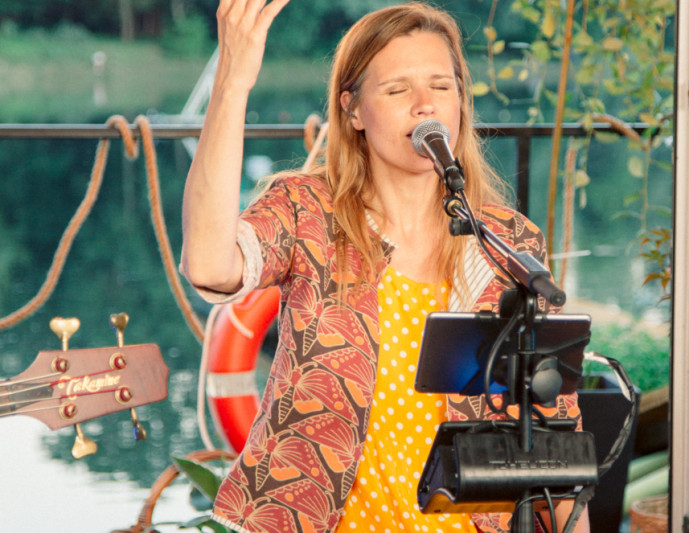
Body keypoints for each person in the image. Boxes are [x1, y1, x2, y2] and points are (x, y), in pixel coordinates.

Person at [181, 1, 591, 532]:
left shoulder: (509, 243)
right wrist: (232, 83)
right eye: (398, 90)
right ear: (352, 111)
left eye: (441, 86)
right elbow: (209, 265)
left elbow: (555, 439)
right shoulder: (307, 212)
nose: (425, 105)